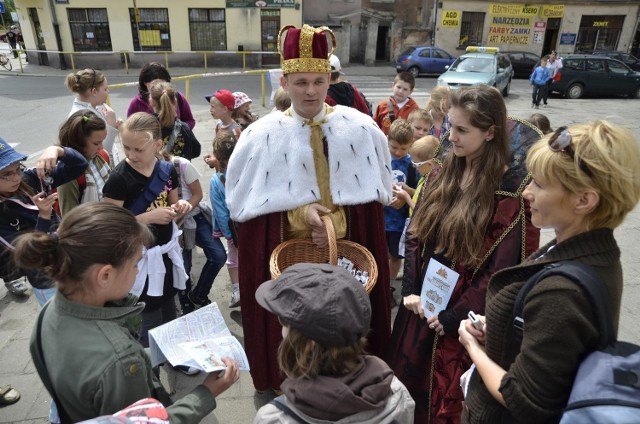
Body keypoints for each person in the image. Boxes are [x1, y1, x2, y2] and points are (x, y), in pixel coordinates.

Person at [225, 24, 393, 393]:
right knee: (298, 345)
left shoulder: (360, 129)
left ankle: (348, 392)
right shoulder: (260, 136)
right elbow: (251, 218)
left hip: (347, 264)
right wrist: (300, 215)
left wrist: (336, 220)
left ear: (328, 78)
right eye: (301, 82)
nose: (311, 91)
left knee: (344, 348)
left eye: (318, 81)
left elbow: (369, 213)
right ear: (285, 81)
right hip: (291, 267)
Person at [458, 120, 640, 423]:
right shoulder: (591, 250)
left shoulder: (561, 291)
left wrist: (473, 348)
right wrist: (506, 330)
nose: (527, 192)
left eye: (539, 185)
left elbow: (524, 401)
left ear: (584, 200)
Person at [388, 85, 540, 424]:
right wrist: (411, 288)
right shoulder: (442, 173)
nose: (451, 137)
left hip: (461, 322)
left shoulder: (510, 195)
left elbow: (500, 271)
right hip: (422, 305)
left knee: (444, 403)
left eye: (461, 130)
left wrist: (454, 316)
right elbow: (416, 231)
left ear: (490, 133)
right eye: (449, 127)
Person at [16, 202, 239, 422]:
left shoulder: (48, 313)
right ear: (105, 275)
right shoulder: (121, 361)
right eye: (136, 263)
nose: (136, 270)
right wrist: (206, 393)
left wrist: (171, 350)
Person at [254, 263, 415, 423]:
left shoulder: (273, 418)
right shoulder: (397, 395)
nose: (281, 329)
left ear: (309, 343)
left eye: (284, 321)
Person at [103, 112, 192, 348]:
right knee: (148, 317)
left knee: (168, 305)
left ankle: (173, 353)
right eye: (126, 148)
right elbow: (111, 224)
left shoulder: (166, 169)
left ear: (158, 144)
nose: (131, 155)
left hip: (165, 254)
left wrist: (179, 206)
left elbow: (172, 203)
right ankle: (149, 368)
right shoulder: (118, 178)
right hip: (138, 261)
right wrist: (146, 217)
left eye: (138, 150)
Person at [0, 138, 87, 302]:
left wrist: (57, 150)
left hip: (71, 260)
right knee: (64, 325)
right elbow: (31, 253)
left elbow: (79, 165)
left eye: (18, 169)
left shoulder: (28, 180)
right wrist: (44, 217)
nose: (16, 178)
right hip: (47, 281)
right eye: (6, 174)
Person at [55, 110, 111, 216]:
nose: (101, 147)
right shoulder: (68, 173)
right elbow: (69, 216)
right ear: (79, 142)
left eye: (102, 141)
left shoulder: (103, 156)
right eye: (96, 143)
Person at [385, 119, 419, 280]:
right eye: (394, 147)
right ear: (387, 139)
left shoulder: (413, 165)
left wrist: (405, 197)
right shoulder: (381, 159)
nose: (398, 152)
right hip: (381, 218)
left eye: (404, 148)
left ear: (411, 144)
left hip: (399, 222)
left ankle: (389, 285)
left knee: (395, 256)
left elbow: (419, 192)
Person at [65, 68, 121, 165]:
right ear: (94, 91)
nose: (108, 92)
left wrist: (113, 127)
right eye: (105, 89)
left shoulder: (93, 108)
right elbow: (100, 153)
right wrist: (111, 126)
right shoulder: (81, 116)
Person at [209, 132, 240, 308]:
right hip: (249, 225)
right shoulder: (246, 171)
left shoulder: (216, 181)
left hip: (233, 230)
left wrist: (229, 235)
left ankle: (237, 290)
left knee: (233, 259)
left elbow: (220, 211)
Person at [126, 62, 195, 129]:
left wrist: (180, 131)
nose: (159, 88)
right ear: (145, 83)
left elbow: (190, 121)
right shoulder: (136, 103)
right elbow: (130, 128)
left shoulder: (177, 97)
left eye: (162, 84)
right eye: (154, 85)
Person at [148, 81, 201, 160]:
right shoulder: (184, 128)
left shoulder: (146, 127)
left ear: (151, 102)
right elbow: (196, 151)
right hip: (180, 171)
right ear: (175, 102)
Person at [393, 135, 439, 214]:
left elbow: (423, 214)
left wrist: (406, 197)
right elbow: (420, 196)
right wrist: (409, 191)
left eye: (416, 164)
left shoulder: (434, 185)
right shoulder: (425, 177)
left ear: (430, 165)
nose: (415, 168)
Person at [203, 89, 241, 170]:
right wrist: (212, 157)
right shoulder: (219, 125)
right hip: (219, 172)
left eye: (213, 107)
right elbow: (218, 149)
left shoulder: (235, 130)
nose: (210, 110)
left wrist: (216, 161)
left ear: (224, 109)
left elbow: (237, 156)